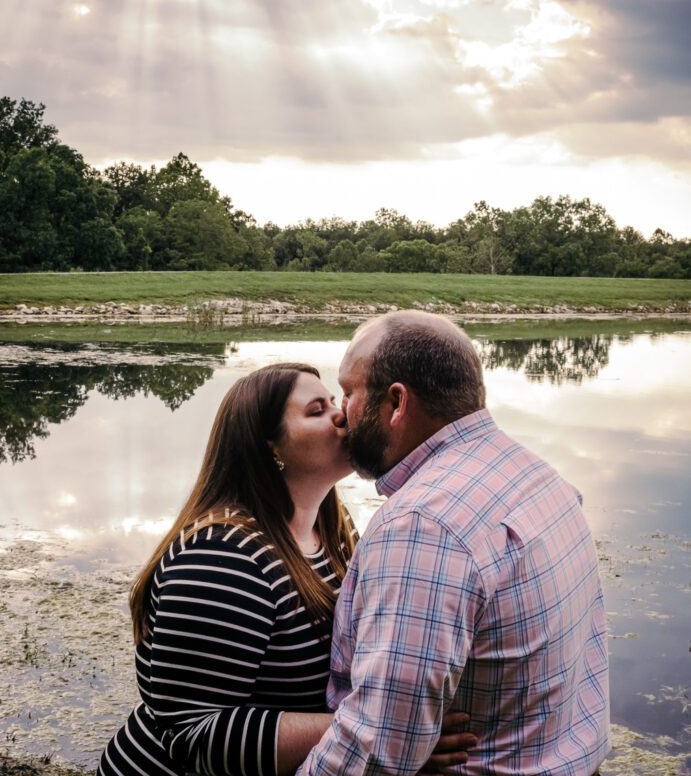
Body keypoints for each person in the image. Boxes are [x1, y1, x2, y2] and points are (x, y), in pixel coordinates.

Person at [98, 362, 475, 776]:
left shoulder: (333, 528)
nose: (341, 414)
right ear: (270, 448)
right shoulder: (223, 558)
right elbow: (195, 735)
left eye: (335, 401)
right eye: (316, 411)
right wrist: (378, 736)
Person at [298, 311, 611, 776]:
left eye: (349, 391)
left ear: (396, 402)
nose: (342, 412)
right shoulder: (537, 475)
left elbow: (376, 749)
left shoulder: (423, 528)